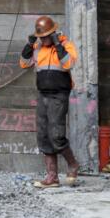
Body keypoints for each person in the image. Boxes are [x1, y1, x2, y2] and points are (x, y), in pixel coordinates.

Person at [19, 14, 80, 188]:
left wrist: (58, 44)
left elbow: (68, 64)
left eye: (45, 36)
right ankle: (52, 177)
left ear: (53, 34)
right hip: (43, 95)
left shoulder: (66, 45)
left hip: (59, 95)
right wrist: (29, 45)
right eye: (40, 37)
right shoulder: (38, 47)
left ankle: (73, 164)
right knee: (43, 136)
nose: (42, 40)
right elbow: (24, 63)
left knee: (56, 135)